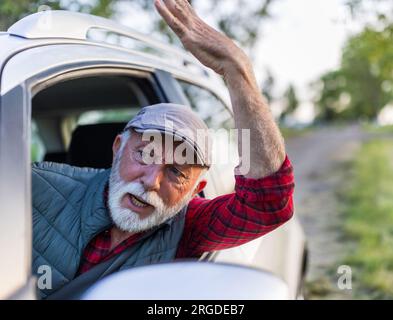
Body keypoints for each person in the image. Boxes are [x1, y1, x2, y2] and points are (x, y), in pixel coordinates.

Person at [32, 0, 295, 299]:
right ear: (118, 148)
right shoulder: (35, 187)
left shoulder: (187, 227)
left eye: (175, 172)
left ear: (197, 189)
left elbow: (267, 203)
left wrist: (237, 70)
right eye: (145, 154)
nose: (152, 181)